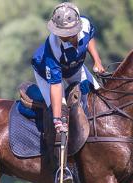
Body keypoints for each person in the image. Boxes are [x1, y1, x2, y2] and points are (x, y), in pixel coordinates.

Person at [31, 2, 105, 134]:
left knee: (97, 96)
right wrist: (57, 119)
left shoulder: (85, 24)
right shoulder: (53, 46)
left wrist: (97, 61)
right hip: (46, 72)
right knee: (61, 114)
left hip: (73, 67)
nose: (60, 35)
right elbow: (56, 85)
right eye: (59, 31)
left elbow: (89, 39)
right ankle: (56, 149)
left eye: (65, 32)